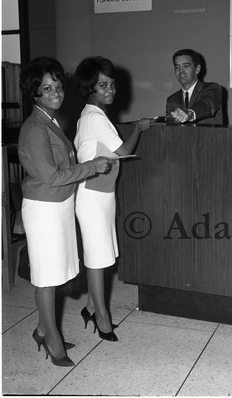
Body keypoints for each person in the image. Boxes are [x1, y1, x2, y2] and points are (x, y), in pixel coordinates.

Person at [18, 57, 110, 367]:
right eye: (46, 88)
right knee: (46, 276)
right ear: (34, 93)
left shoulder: (50, 121)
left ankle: (43, 329)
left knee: (58, 273)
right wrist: (91, 167)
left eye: (58, 86)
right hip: (44, 209)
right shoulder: (34, 128)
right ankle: (52, 340)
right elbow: (53, 176)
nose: (55, 93)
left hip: (58, 206)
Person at [74, 56, 151, 342]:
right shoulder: (94, 117)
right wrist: (140, 130)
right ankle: (101, 318)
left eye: (112, 84)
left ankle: (91, 308)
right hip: (92, 196)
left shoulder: (93, 114)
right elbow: (121, 152)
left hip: (102, 194)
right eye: (103, 85)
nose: (110, 90)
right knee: (97, 259)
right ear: (90, 89)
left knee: (105, 256)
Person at [166, 49, 223, 124]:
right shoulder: (172, 99)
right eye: (177, 67)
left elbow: (208, 106)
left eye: (186, 66)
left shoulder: (212, 88)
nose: (180, 71)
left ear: (197, 69)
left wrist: (189, 114)